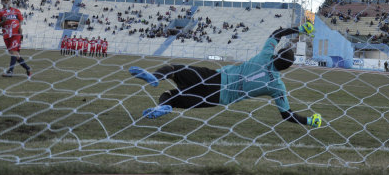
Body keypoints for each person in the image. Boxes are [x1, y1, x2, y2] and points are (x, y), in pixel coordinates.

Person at [129, 22, 322, 128]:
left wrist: (300, 29)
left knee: (173, 70)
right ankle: (164, 107)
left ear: (275, 54)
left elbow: (277, 33)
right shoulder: (277, 87)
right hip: (217, 98)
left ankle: (156, 77)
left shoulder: (265, 56)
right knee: (174, 97)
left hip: (215, 78)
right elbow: (286, 115)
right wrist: (309, 121)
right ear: (285, 68)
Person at [0, 0, 31, 78]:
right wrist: (3, 21)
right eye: (4, 0)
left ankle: (10, 71)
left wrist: (20, 27)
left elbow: (21, 20)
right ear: (1, 2)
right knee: (14, 54)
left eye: (7, 0)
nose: (6, 1)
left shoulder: (16, 11)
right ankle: (27, 68)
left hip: (16, 34)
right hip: (6, 35)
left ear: (10, 1)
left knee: (14, 52)